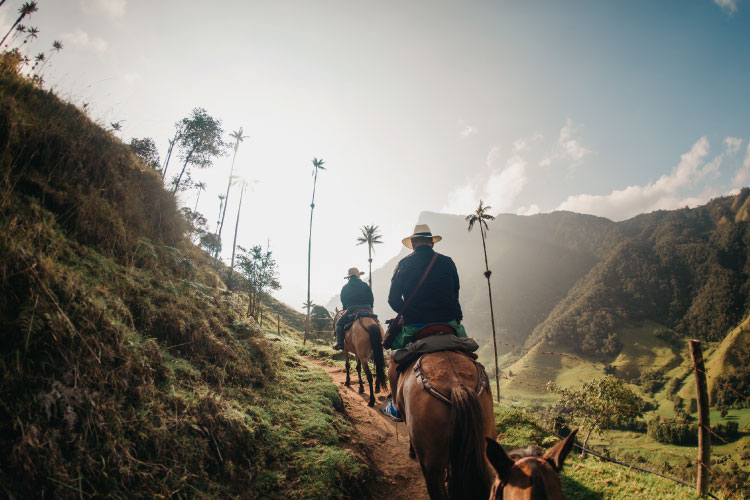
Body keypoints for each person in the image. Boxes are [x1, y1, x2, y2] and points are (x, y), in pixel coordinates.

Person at [382, 224, 467, 421]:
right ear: (431, 243)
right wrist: (455, 315)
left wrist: (408, 314)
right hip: (450, 324)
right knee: (469, 355)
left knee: (394, 361)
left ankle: (395, 406)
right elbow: (455, 292)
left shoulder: (403, 264)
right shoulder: (447, 262)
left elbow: (393, 300)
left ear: (413, 244)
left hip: (415, 326)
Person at [333, 267, 374, 350]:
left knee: (338, 324)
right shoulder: (365, 285)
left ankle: (340, 343)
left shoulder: (345, 287)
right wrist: (370, 308)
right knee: (376, 322)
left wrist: (345, 309)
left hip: (352, 308)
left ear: (349, 277)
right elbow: (371, 298)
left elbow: (343, 301)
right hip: (367, 308)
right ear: (358, 276)